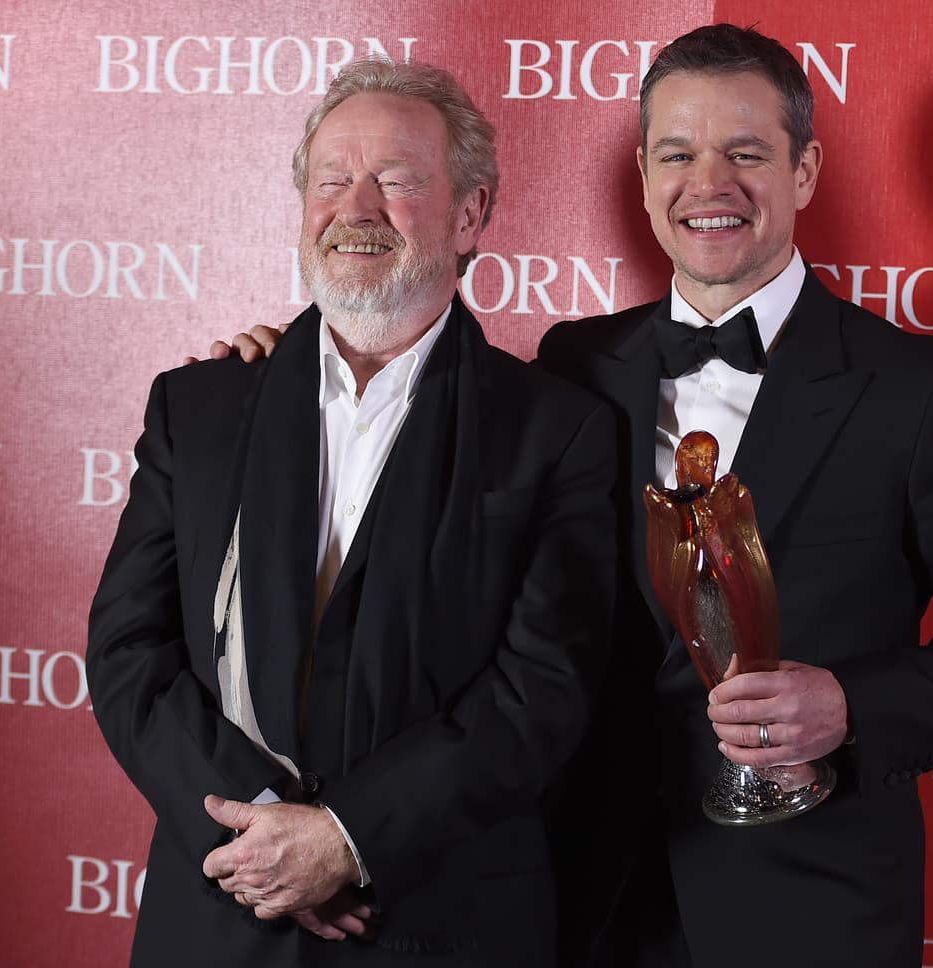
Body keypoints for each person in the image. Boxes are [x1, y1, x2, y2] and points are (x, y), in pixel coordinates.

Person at [213, 25, 933, 967]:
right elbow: (403, 440)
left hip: (807, 907)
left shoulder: (917, 390)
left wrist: (850, 707)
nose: (710, 184)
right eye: (677, 154)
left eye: (746, 153)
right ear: (642, 175)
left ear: (805, 172)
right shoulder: (571, 366)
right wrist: (285, 377)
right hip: (579, 897)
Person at [86, 57, 616, 968]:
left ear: (470, 214)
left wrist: (347, 837)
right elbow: (129, 651)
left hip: (441, 921)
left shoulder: (559, 430)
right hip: (224, 910)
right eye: (332, 180)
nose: (356, 208)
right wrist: (258, 836)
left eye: (397, 181)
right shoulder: (198, 406)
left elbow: (545, 687)